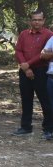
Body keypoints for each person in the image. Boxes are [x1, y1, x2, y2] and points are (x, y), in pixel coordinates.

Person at [13, 10, 53, 138]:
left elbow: (44, 54)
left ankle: (48, 129)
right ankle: (26, 127)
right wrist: (25, 67)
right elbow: (18, 50)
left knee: (45, 100)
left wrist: (28, 64)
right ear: (30, 21)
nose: (37, 22)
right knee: (26, 99)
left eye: (39, 19)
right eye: (34, 19)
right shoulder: (24, 34)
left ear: (44, 20)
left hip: (41, 71)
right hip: (24, 71)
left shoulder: (49, 35)